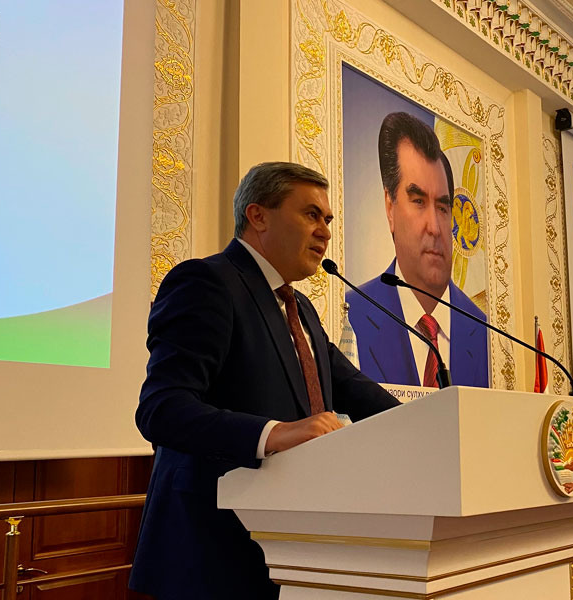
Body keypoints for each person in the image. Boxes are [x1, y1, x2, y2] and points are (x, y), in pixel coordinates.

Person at [129, 162, 401, 599]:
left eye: (328, 219)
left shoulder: (300, 308)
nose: (325, 232)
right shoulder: (207, 283)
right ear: (258, 216)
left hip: (289, 544)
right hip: (211, 549)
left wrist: (433, 424)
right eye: (311, 215)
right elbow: (162, 409)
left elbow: (354, 388)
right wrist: (275, 433)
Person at [346, 112, 488, 388]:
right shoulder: (353, 316)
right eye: (419, 201)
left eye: (443, 208)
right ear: (390, 207)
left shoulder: (484, 331)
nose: (434, 227)